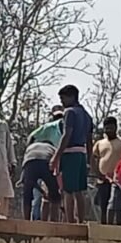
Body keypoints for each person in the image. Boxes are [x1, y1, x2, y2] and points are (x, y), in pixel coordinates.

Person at [50, 84, 93, 224]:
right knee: (79, 191)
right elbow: (89, 140)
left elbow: (66, 135)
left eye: (63, 98)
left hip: (70, 153)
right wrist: (89, 160)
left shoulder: (70, 112)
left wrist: (56, 156)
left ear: (71, 97)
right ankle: (80, 221)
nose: (62, 102)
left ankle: (70, 222)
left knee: (68, 190)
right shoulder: (86, 115)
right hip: (81, 154)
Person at [26, 106, 64, 220]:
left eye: (60, 117)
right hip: (49, 161)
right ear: (52, 117)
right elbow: (32, 136)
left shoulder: (66, 129)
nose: (58, 119)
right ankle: (38, 221)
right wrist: (29, 149)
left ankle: (53, 222)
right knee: (41, 196)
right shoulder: (48, 128)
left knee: (55, 195)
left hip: (57, 164)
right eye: (56, 117)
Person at [91, 116, 121, 224]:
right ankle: (104, 228)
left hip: (117, 181)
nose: (108, 130)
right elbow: (93, 158)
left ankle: (118, 229)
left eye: (111, 128)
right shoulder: (99, 143)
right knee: (104, 206)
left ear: (116, 128)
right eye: (106, 128)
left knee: (117, 207)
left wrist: (120, 176)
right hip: (103, 180)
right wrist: (97, 173)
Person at [20, 137, 61, 221]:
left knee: (27, 194)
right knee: (54, 194)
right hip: (46, 162)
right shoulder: (53, 148)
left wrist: (42, 191)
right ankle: (54, 220)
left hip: (30, 162)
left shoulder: (31, 147)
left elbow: (27, 178)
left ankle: (26, 220)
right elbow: (57, 170)